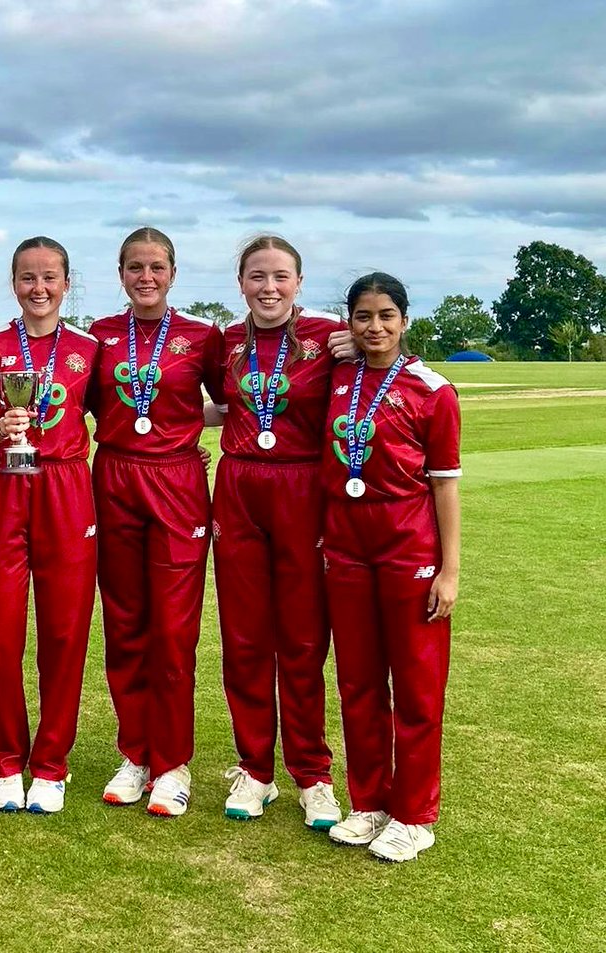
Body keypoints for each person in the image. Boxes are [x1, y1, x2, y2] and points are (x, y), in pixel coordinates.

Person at [210, 236, 350, 828]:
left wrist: (361, 340)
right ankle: (255, 770)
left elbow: (386, 360)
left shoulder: (330, 336)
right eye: (257, 276)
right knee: (244, 639)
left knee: (302, 640)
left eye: (280, 276)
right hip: (239, 488)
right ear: (241, 283)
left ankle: (313, 774)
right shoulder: (225, 341)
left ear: (299, 281)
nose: (269, 288)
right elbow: (210, 404)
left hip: (302, 489)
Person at [321, 272, 461, 862]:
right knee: (357, 682)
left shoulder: (433, 390)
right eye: (362, 316)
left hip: (408, 543)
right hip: (345, 543)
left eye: (385, 316)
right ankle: (370, 802)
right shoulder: (336, 376)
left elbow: (446, 485)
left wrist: (449, 571)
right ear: (349, 322)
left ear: (405, 320)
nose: (374, 327)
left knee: (417, 686)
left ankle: (414, 815)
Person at [90, 227, 225, 817]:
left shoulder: (202, 335)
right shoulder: (99, 335)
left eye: (156, 268)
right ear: (121, 273)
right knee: (124, 625)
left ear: (173, 273)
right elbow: (77, 398)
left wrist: (186, 435)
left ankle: (171, 762)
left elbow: (234, 400)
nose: (146, 278)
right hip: (115, 477)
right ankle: (135, 754)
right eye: (135, 267)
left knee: (172, 631)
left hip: (176, 484)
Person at [0, 237, 100, 814]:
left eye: (49, 277)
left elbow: (128, 416)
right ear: (13, 282)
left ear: (67, 282)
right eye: (27, 277)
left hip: (65, 486)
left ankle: (50, 764)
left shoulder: (91, 349)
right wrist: (0, 429)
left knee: (64, 635)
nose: (38, 288)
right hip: (1, 484)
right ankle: (4, 761)